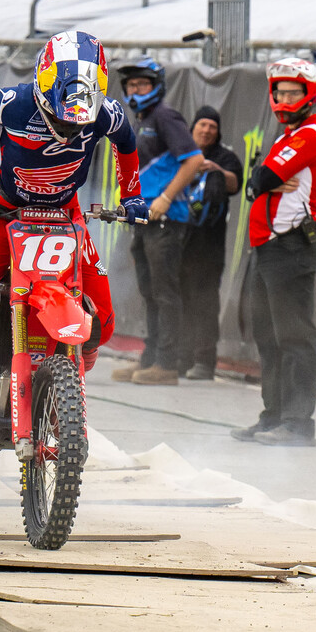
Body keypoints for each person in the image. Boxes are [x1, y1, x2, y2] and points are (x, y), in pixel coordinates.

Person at [0, 30, 144, 430]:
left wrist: (133, 196)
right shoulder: (13, 102)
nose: (69, 128)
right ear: (44, 89)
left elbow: (126, 144)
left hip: (67, 217)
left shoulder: (107, 113)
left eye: (78, 123)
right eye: (59, 118)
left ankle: (64, 388)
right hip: (5, 210)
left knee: (103, 322)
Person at [232, 58, 316, 446]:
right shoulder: (284, 138)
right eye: (280, 91)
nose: (285, 98)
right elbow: (252, 184)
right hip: (266, 248)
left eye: (293, 92)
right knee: (268, 336)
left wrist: (263, 180)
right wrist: (261, 181)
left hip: (290, 246)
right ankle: (273, 415)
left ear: (309, 94)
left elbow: (263, 177)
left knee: (294, 336)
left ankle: (298, 423)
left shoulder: (311, 135)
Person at [109, 58, 214, 386]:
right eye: (130, 85)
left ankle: (167, 364)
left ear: (157, 86)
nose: (135, 89)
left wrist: (166, 198)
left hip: (167, 219)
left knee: (165, 292)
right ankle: (150, 359)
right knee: (150, 291)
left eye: (142, 84)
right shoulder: (142, 119)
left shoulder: (166, 116)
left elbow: (195, 160)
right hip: (146, 219)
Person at [177, 104, 244, 380]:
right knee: (177, 301)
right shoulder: (178, 154)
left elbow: (235, 183)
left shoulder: (224, 157)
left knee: (204, 302)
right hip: (177, 241)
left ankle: (205, 361)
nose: (206, 130)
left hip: (208, 247)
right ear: (192, 127)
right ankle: (178, 359)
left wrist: (213, 170)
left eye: (212, 127)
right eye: (202, 125)